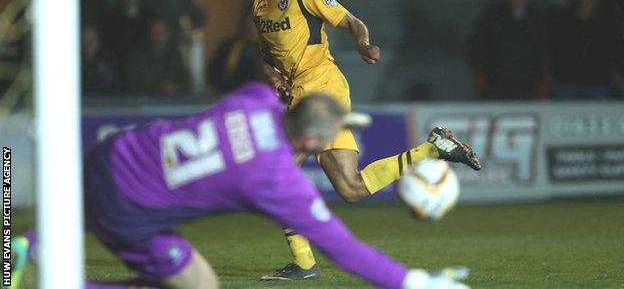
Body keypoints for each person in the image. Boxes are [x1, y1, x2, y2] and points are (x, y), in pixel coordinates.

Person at [11, 83, 470, 289]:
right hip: (133, 207)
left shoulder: (253, 98)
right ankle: (58, 278)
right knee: (199, 286)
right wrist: (413, 282)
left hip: (112, 154)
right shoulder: (275, 179)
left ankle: (23, 246)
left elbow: (279, 103)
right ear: (311, 142)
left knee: (82, 215)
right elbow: (344, 249)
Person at [251, 0, 482, 279]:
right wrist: (275, 80)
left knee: (274, 169)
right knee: (351, 188)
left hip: (321, 88)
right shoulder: (259, 7)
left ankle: (303, 262)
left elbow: (350, 21)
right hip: (303, 92)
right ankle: (430, 149)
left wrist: (362, 43)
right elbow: (268, 60)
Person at [468, 0, 548, 100]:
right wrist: (480, 76)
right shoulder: (492, 20)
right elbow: (478, 48)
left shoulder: (536, 22)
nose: (517, 0)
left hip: (527, 84)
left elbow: (542, 52)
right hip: (496, 82)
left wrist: (543, 82)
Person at [548, 0, 624, 100]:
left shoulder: (606, 21)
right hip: (566, 83)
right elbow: (552, 50)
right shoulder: (562, 21)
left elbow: (614, 51)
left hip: (598, 83)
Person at [126, 18, 190, 95]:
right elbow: (133, 83)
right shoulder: (138, 56)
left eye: (162, 32)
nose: (159, 35)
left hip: (173, 102)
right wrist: (159, 88)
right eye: (155, 32)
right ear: (150, 34)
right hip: (145, 102)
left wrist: (176, 88)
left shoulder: (175, 56)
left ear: (167, 34)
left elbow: (185, 80)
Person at [208, 11, 264, 94]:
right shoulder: (228, 46)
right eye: (249, 22)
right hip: (232, 94)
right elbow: (214, 72)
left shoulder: (271, 47)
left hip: (264, 96)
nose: (251, 26)